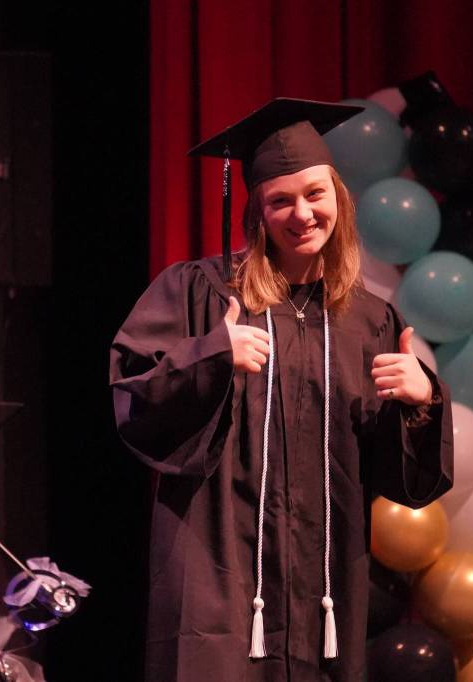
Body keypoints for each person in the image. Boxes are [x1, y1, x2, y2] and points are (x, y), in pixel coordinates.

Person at [110, 98, 453, 682]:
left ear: (338, 198)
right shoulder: (200, 293)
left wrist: (421, 405)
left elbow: (401, 480)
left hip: (323, 586)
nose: (301, 214)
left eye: (315, 194)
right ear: (257, 212)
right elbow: (133, 392)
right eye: (280, 201)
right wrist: (212, 355)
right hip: (218, 574)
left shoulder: (369, 320)